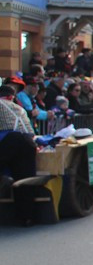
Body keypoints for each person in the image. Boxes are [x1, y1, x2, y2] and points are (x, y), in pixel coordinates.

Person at [0, 84, 38, 226]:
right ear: (12, 97)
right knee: (26, 179)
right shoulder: (20, 109)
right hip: (28, 142)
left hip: (9, 140)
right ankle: (27, 217)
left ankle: (3, 179)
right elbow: (31, 131)